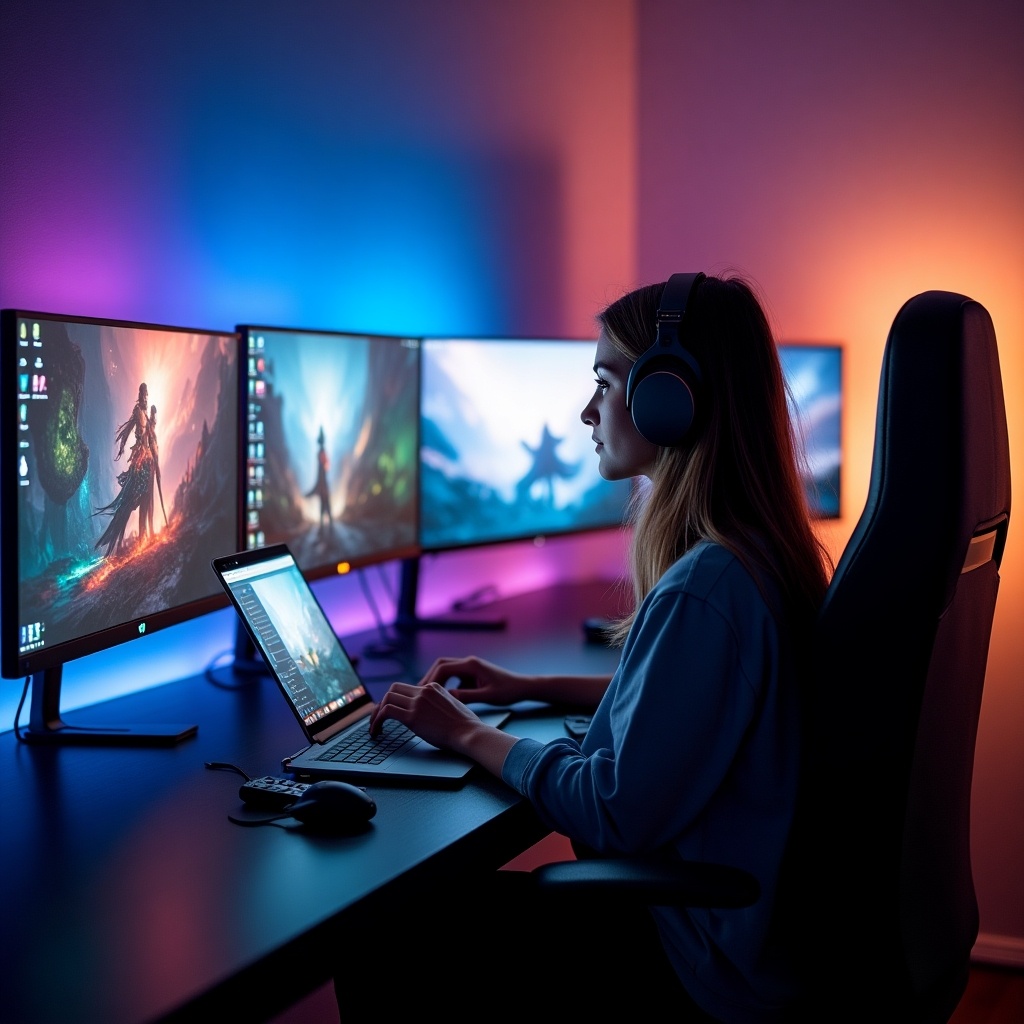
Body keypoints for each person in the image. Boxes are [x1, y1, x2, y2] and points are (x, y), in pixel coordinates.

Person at [351, 273, 832, 1023]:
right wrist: (527, 686)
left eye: (604, 381)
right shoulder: (761, 555)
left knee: (380, 926)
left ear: (669, 401)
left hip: (697, 958)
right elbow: (686, 714)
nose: (586, 411)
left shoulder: (706, 587)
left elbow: (611, 813)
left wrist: (463, 732)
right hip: (747, 935)